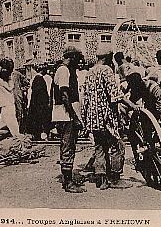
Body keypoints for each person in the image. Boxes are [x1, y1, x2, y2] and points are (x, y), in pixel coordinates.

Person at [81, 50, 126, 190]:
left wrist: (85, 118)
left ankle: (102, 180)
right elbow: (115, 94)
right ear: (108, 59)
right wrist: (131, 105)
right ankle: (115, 178)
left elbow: (85, 98)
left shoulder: (89, 73)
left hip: (93, 118)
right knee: (118, 147)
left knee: (99, 147)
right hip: (106, 117)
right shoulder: (106, 70)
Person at [52, 46, 85, 193]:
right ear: (71, 57)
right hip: (65, 115)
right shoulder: (64, 70)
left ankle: (68, 178)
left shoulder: (66, 70)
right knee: (68, 146)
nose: (79, 63)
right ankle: (68, 182)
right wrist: (74, 116)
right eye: (77, 59)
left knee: (69, 146)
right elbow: (64, 95)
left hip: (66, 114)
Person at [0, 58, 21, 136]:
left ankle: (17, 138)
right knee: (1, 123)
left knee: (12, 124)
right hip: (9, 104)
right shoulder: (10, 81)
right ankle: (9, 137)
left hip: (6, 105)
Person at [27, 65, 50, 140]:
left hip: (36, 103)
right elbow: (41, 94)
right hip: (40, 104)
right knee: (40, 119)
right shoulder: (39, 79)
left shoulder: (36, 79)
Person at [11, 65, 30, 133]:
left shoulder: (17, 74)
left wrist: (21, 90)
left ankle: (18, 131)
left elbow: (27, 84)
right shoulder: (3, 74)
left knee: (18, 113)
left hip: (17, 96)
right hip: (8, 98)